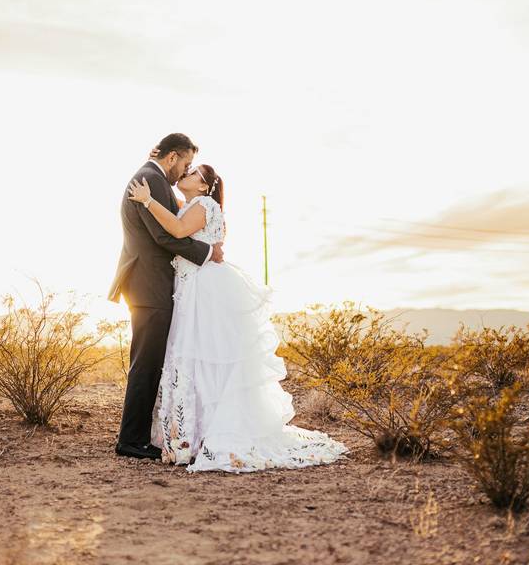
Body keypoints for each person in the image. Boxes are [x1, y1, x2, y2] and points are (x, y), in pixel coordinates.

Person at [126, 161, 349, 473]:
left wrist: (147, 201)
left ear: (204, 186)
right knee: (198, 357)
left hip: (201, 290)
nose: (185, 175)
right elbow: (178, 213)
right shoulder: (196, 203)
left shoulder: (202, 204)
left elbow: (176, 229)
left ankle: (202, 435)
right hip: (192, 285)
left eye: (192, 173)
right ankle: (194, 434)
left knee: (199, 355)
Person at [108, 133, 224, 460]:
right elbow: (164, 235)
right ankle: (130, 441)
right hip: (150, 285)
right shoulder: (151, 179)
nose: (183, 172)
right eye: (185, 164)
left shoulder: (150, 178)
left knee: (149, 362)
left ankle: (138, 437)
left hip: (148, 284)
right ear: (172, 157)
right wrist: (207, 252)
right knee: (146, 364)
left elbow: (175, 224)